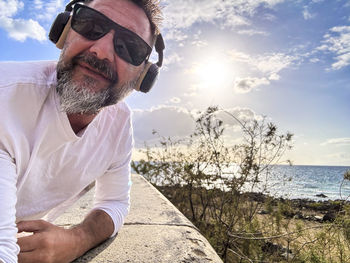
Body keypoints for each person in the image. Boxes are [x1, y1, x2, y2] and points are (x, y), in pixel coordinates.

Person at [0, 0, 164, 262]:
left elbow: (116, 202)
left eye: (129, 46)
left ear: (142, 77)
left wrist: (78, 238)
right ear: (64, 31)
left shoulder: (119, 123)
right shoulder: (6, 99)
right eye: (91, 25)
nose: (101, 51)